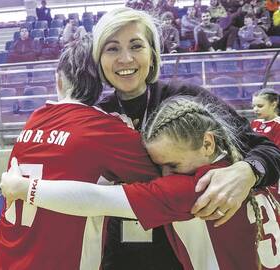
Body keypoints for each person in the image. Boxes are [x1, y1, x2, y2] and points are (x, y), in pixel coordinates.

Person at [85, 7, 280, 269]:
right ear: (98, 59)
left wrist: (247, 171)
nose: (125, 58)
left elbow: (266, 149)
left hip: (188, 253)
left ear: (153, 54)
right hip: (118, 253)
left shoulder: (188, 98)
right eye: (112, 48)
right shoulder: (90, 115)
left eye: (136, 46)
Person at [1, 95, 280, 270]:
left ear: (207, 143)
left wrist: (26, 188)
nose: (162, 174)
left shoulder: (193, 190)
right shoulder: (238, 168)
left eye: (172, 165)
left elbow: (97, 199)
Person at [0, 36, 160, 270]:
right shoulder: (106, 129)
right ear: (103, 83)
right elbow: (160, 178)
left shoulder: (35, 117)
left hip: (5, 257)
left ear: (58, 81)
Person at [251, 88, 280, 197]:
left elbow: (276, 153)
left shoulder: (278, 124)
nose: (255, 109)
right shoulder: (254, 123)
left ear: (273, 104)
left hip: (273, 171)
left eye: (260, 106)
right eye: (253, 106)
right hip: (254, 168)